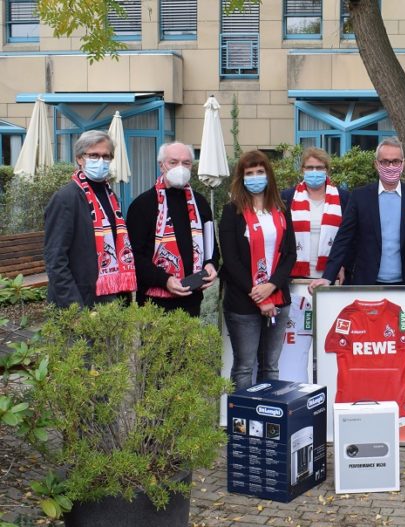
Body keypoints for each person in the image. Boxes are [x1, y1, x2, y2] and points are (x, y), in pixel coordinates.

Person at [308, 137, 405, 292]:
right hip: (367, 283)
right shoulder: (360, 197)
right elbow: (344, 239)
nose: (391, 166)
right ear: (377, 164)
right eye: (385, 162)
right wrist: (328, 277)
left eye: (396, 161)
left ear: (403, 163)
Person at [219, 150, 297, 390]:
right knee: (244, 366)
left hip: (278, 298)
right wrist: (258, 294)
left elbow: (290, 254)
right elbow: (230, 260)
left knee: (270, 366)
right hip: (243, 301)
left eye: (259, 172)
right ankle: (242, 426)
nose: (255, 177)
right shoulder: (232, 212)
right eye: (249, 173)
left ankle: (268, 423)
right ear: (241, 178)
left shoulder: (282, 209)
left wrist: (271, 286)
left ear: (268, 175)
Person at [44, 130, 136, 308]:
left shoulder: (110, 196)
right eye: (94, 155)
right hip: (80, 300)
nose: (101, 161)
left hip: (112, 296)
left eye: (106, 156)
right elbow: (55, 258)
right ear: (80, 158)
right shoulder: (65, 198)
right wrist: (74, 307)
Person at [126, 142, 219, 317]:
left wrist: (211, 264)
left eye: (186, 163)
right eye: (173, 162)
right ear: (161, 165)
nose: (180, 168)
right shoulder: (143, 205)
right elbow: (133, 256)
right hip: (154, 302)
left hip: (192, 299)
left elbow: (212, 247)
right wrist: (165, 280)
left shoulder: (200, 203)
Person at [281, 147, 349, 281]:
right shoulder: (287, 197)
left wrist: (343, 265)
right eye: (310, 167)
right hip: (295, 276)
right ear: (302, 170)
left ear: (327, 170)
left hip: (331, 276)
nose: (314, 171)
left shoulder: (343, 198)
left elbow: (349, 238)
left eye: (319, 168)